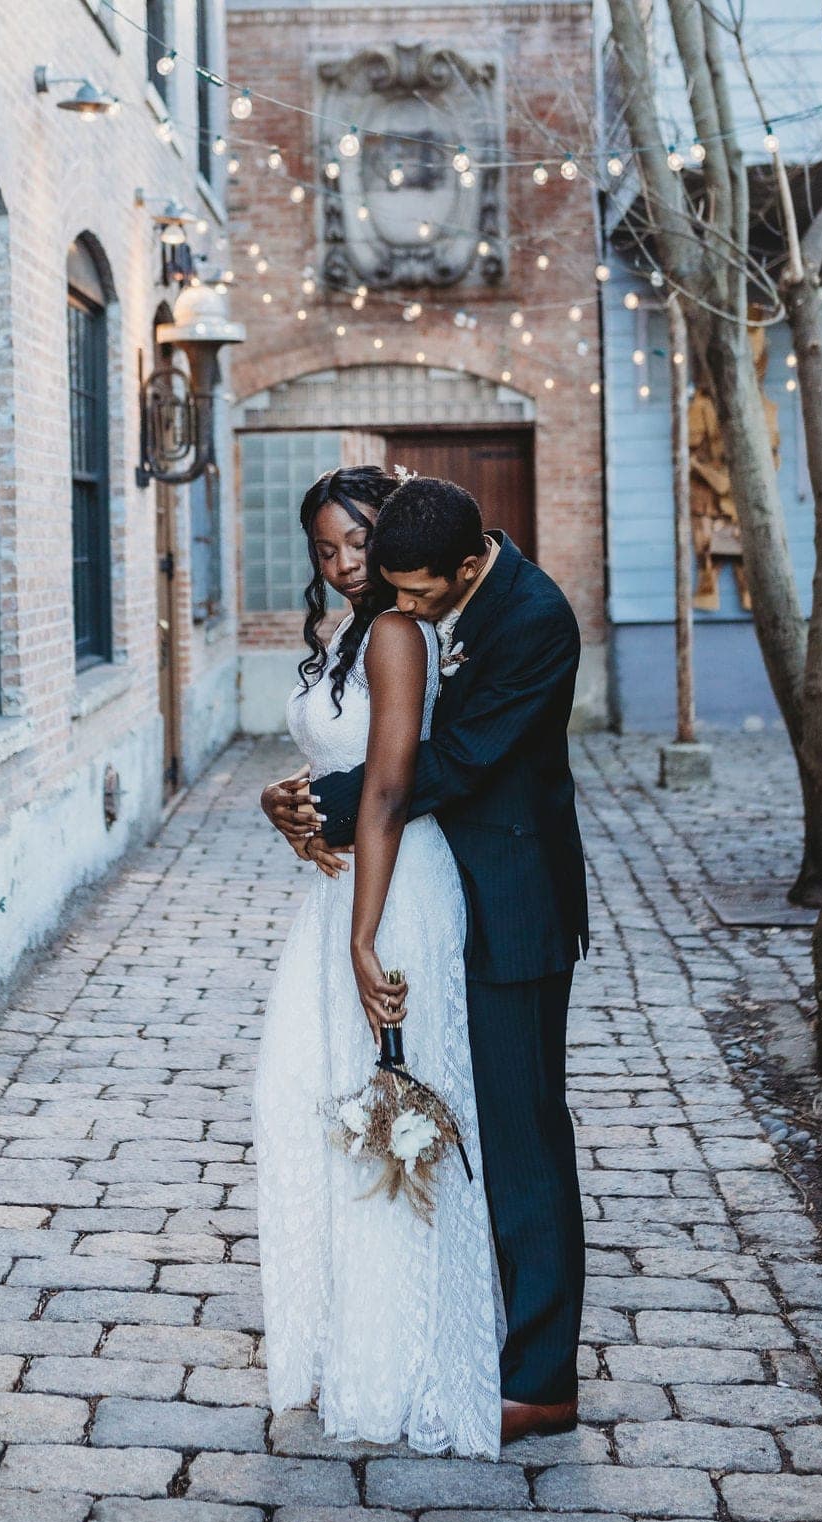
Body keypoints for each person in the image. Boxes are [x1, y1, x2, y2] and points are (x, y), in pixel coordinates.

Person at [272, 475, 589, 1443]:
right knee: (474, 1123)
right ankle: (468, 1334)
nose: (397, 610)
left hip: (515, 904)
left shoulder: (535, 621)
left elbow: (445, 761)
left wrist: (323, 799)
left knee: (524, 1136)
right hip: (448, 892)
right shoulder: (437, 583)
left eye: (415, 595)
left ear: (462, 567)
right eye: (390, 591)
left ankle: (542, 1379)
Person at [253, 465, 501, 1459]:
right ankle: (334, 1344)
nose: (345, 564)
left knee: (386, 1125)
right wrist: (288, 814)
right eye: (325, 548)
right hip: (334, 893)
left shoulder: (397, 634)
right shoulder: (337, 640)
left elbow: (392, 791)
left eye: (358, 543)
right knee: (308, 1105)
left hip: (393, 895)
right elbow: (333, 779)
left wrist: (365, 939)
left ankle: (395, 1365)